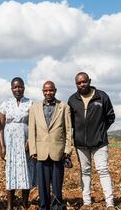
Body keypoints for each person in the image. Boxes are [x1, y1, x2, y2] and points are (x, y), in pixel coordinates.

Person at [67, 72, 116, 210]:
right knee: (85, 171)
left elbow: (110, 116)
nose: (82, 84)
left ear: (89, 81)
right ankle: (87, 202)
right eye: (79, 83)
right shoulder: (72, 100)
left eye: (84, 81)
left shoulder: (102, 96)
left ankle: (110, 203)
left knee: (103, 170)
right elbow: (70, 121)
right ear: (76, 84)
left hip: (100, 143)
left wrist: (101, 131)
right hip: (81, 144)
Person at [28, 81, 72, 210]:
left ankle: (57, 205)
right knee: (42, 184)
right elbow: (32, 131)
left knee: (57, 183)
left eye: (51, 90)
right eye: (46, 91)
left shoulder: (64, 107)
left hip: (58, 151)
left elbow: (68, 130)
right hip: (40, 151)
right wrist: (33, 150)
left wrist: (67, 149)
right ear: (43, 92)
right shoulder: (35, 107)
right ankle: (43, 206)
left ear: (55, 91)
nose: (48, 93)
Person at [0, 77, 34, 209]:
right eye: (15, 87)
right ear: (11, 89)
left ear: (24, 87)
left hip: (25, 143)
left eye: (20, 87)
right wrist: (2, 146)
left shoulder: (30, 103)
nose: (17, 89)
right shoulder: (5, 104)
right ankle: (10, 205)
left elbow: (33, 124)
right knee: (10, 173)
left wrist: (30, 140)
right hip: (10, 143)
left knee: (26, 172)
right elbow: (0, 127)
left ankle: (25, 204)